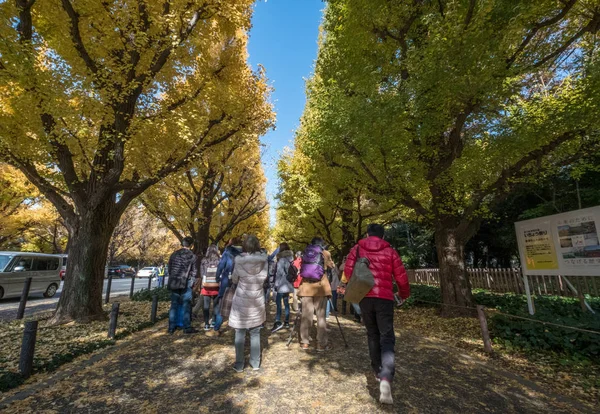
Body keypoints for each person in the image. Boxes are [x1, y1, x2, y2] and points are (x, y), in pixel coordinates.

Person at [344, 224, 410, 405]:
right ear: (382, 235)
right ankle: (386, 377)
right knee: (387, 337)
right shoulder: (390, 251)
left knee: (372, 334)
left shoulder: (357, 248)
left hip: (365, 296)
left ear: (367, 234)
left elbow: (348, 272)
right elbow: (401, 276)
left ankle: (376, 370)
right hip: (385, 298)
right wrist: (403, 294)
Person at [228, 235, 268, 372]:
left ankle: (239, 364)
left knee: (239, 331)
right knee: (255, 332)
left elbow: (234, 279)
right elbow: (265, 277)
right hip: (257, 297)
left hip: (242, 298)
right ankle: (255, 363)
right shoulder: (263, 260)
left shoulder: (239, 260)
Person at [298, 237, 334, 352]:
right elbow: (331, 266)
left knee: (306, 315)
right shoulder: (325, 253)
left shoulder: (305, 252)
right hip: (320, 287)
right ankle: (321, 344)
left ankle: (305, 342)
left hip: (306, 287)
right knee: (321, 316)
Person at [167, 236, 198, 334]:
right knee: (186, 304)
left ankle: (171, 327)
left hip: (174, 281)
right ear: (191, 245)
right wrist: (192, 282)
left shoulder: (174, 254)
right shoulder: (192, 256)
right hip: (185, 282)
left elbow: (169, 268)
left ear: (182, 244)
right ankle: (186, 327)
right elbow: (194, 272)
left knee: (174, 304)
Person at [211, 237, 243, 334]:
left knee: (223, 305)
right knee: (239, 305)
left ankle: (217, 326)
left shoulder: (227, 253)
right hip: (240, 282)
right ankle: (239, 328)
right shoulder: (244, 254)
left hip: (226, 281)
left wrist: (217, 278)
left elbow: (220, 266)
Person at [196, 245, 221, 330]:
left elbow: (202, 273)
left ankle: (206, 323)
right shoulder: (219, 260)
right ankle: (213, 321)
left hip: (206, 286)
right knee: (216, 305)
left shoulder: (204, 260)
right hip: (216, 286)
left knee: (206, 306)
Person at [271, 243, 295, 333]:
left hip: (281, 285)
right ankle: (287, 322)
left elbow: (279, 274)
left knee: (278, 304)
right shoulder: (291, 259)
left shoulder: (281, 260)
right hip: (289, 285)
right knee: (287, 304)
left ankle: (278, 321)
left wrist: (276, 285)